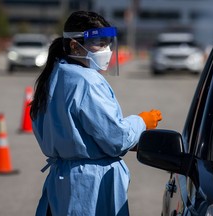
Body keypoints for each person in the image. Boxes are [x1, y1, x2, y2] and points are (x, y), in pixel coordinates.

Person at [30, 11, 162, 216]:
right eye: (99, 44)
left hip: (61, 182)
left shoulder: (54, 75)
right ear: (75, 46)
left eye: (108, 43)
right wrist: (141, 122)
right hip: (90, 184)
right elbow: (116, 138)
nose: (107, 50)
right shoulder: (87, 81)